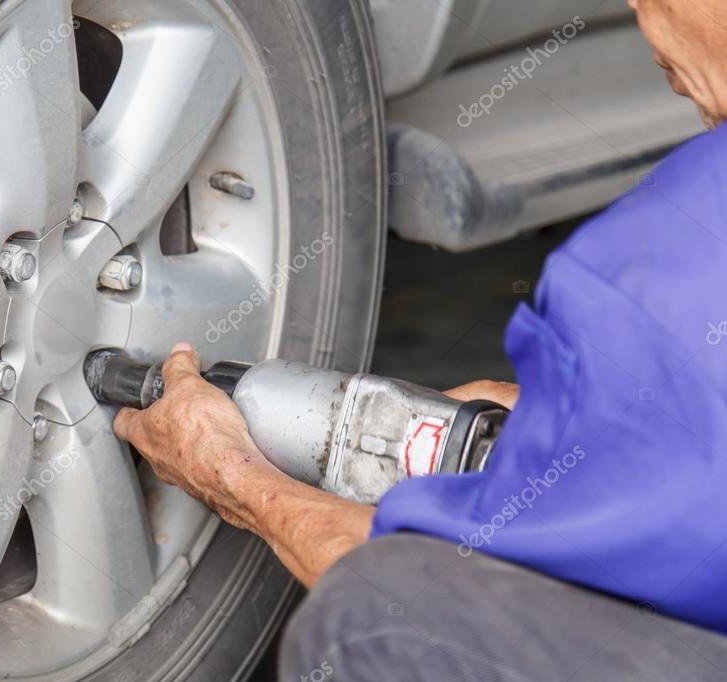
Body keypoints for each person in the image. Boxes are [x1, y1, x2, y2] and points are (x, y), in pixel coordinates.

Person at [114, 0, 727, 678]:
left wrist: (232, 476)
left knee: (373, 616)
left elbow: (430, 582)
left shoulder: (655, 269)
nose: (636, 5)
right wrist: (599, 426)